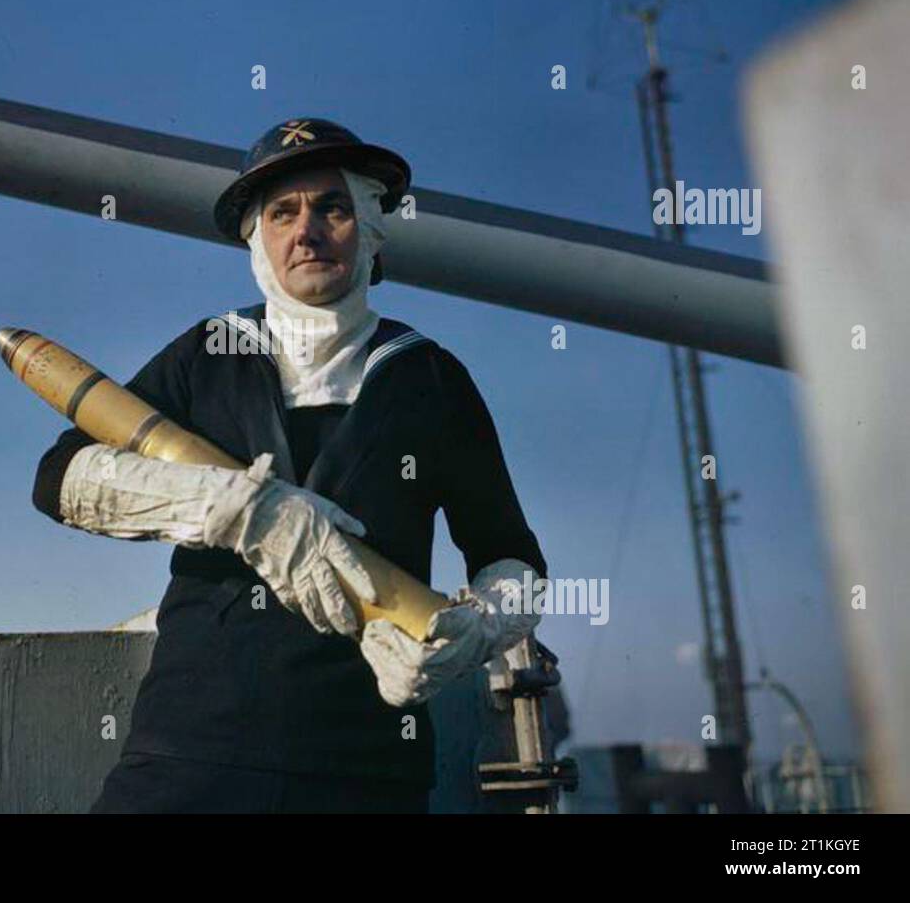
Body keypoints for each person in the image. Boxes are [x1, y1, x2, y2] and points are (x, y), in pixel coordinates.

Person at [32, 118, 547, 813]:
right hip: (189, 751)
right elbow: (61, 477)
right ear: (257, 237)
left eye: (332, 207)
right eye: (282, 212)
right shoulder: (206, 351)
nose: (306, 230)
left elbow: (514, 561)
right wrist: (240, 509)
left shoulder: (430, 377)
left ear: (369, 227)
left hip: (366, 769)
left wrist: (477, 628)